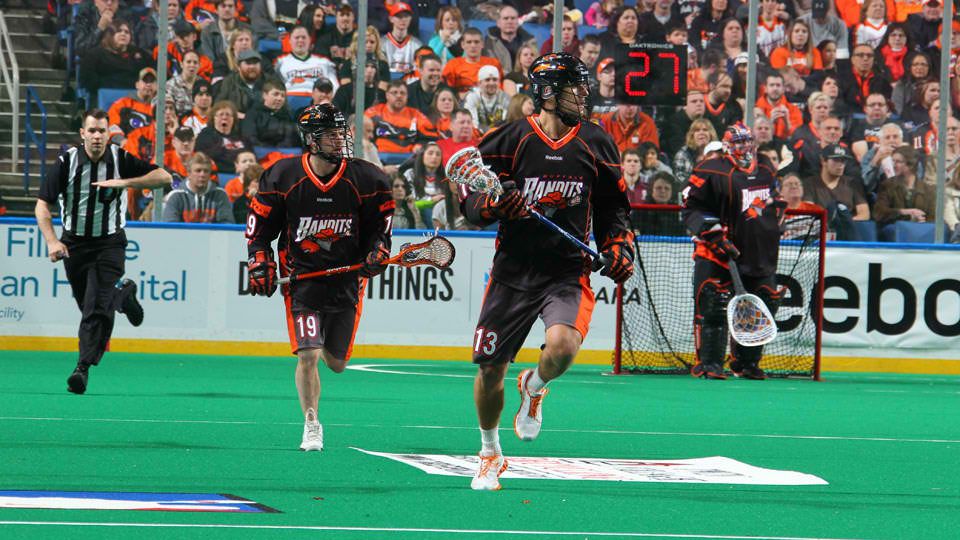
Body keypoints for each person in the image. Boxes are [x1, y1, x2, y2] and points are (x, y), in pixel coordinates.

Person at [460, 53, 633, 491]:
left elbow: (613, 208)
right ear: (548, 94)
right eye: (575, 89)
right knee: (489, 370)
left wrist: (617, 246)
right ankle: (489, 452)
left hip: (566, 271)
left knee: (563, 346)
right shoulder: (509, 139)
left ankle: (534, 386)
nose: (583, 96)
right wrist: (494, 204)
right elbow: (470, 201)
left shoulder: (597, 142)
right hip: (513, 272)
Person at [245, 103, 393, 452]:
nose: (340, 140)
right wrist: (260, 262)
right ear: (311, 139)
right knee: (308, 354)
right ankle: (312, 423)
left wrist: (378, 251)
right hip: (302, 280)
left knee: (337, 363)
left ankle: (323, 344)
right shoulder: (281, 176)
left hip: (347, 280)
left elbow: (380, 230)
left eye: (341, 133)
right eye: (330, 134)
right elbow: (259, 232)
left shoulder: (368, 179)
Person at [35, 108, 172, 394]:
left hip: (110, 243)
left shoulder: (120, 158)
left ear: (109, 134)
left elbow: (164, 178)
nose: (97, 136)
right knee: (88, 305)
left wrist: (126, 183)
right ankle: (122, 295)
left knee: (96, 307)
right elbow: (42, 205)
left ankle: (81, 368)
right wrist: (52, 241)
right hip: (74, 245)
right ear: (82, 133)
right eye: (92, 130)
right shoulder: (66, 162)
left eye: (102, 131)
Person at [681, 123, 784, 381]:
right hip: (715, 253)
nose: (744, 146)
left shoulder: (765, 168)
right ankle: (709, 364)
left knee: (764, 301)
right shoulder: (710, 169)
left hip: (757, 251)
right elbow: (691, 206)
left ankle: (747, 363)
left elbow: (771, 200)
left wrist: (774, 217)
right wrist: (714, 234)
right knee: (713, 304)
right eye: (738, 142)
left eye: (747, 141)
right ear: (727, 145)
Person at [364, 81, 437, 154]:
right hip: (377, 156)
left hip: (410, 158)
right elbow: (361, 134)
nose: (399, 96)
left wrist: (420, 145)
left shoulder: (416, 115)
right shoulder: (373, 113)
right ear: (387, 95)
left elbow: (430, 138)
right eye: (394, 93)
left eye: (402, 93)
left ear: (407, 96)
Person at [874, 145, 937, 228]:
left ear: (911, 164)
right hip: (895, 231)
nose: (894, 165)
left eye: (898, 162)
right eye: (893, 161)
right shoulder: (887, 185)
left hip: (921, 230)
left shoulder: (928, 189)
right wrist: (904, 212)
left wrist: (921, 221)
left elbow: (933, 218)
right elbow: (879, 213)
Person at [162, 152, 233, 223]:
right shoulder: (176, 196)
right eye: (198, 171)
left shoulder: (220, 195)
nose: (202, 175)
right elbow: (171, 226)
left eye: (206, 171)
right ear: (189, 173)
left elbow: (227, 224)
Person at [275, 25, 339, 99]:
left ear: (310, 40)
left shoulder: (324, 62)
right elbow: (275, 87)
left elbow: (335, 86)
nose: (300, 40)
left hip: (318, 100)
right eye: (297, 37)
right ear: (289, 40)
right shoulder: (280, 62)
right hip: (290, 100)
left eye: (303, 37)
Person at [442, 27, 503, 97]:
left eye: (476, 42)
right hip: (461, 102)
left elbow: (500, 89)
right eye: (469, 42)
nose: (473, 45)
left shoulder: (493, 63)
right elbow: (446, 91)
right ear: (462, 45)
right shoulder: (452, 64)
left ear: (482, 44)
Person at [196, 100, 251, 173]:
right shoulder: (205, 135)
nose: (224, 117)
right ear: (214, 118)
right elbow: (205, 158)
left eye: (228, 115)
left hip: (244, 173)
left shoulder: (241, 136)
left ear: (233, 119)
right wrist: (235, 168)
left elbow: (251, 156)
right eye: (221, 114)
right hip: (218, 173)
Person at [241, 79, 299, 147]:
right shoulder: (252, 114)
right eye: (276, 94)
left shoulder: (287, 115)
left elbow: (291, 140)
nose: (279, 98)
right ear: (265, 95)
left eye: (283, 96)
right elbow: (249, 138)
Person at [463, 65, 510, 134]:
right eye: (487, 80)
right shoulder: (472, 97)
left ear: (499, 82)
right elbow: (472, 123)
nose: (491, 83)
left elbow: (507, 123)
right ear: (479, 83)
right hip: (477, 136)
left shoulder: (504, 97)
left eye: (495, 79)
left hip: (499, 135)